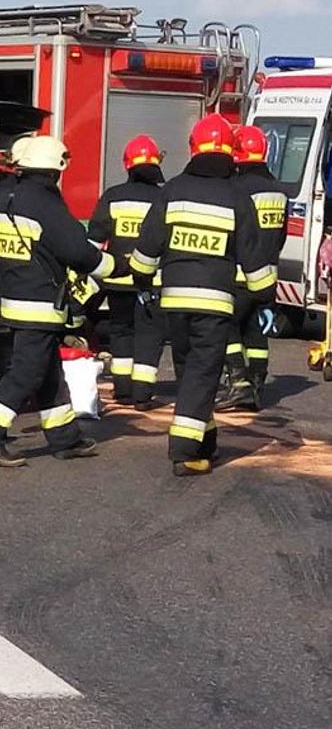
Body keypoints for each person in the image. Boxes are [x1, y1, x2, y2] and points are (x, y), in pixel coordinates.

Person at [130, 114, 276, 476]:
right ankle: (184, 452)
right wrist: (263, 295)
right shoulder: (237, 196)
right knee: (202, 374)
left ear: (193, 149)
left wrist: (143, 279)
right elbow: (254, 257)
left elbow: (147, 249)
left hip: (173, 303)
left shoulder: (173, 190)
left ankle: (205, 440)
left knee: (190, 372)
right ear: (231, 152)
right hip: (213, 305)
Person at [0, 135, 120, 467]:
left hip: (11, 302)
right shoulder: (45, 203)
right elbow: (77, 250)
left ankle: (66, 439)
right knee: (25, 373)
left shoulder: (5, 197)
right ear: (54, 170)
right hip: (40, 304)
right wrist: (116, 267)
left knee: (48, 372)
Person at [87, 134, 168, 409]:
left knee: (121, 331)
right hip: (152, 281)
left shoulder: (113, 196)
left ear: (127, 165)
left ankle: (122, 389)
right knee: (149, 335)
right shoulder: (163, 197)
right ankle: (143, 394)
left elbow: (94, 243)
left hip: (117, 280)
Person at [216, 124, 287, 411]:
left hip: (239, 275)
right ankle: (257, 384)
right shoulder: (279, 192)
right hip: (268, 276)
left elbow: (233, 234)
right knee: (256, 331)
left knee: (227, 327)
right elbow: (280, 237)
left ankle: (239, 382)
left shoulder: (236, 190)